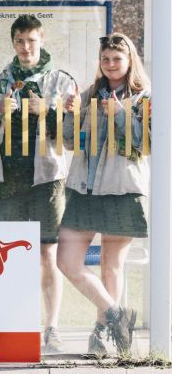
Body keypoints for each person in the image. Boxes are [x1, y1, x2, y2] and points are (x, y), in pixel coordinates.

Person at [0, 14, 76, 353]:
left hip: (47, 180)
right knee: (10, 256)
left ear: (42, 39)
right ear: (13, 42)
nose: (26, 46)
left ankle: (51, 327)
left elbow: (75, 136)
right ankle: (17, 325)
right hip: (7, 180)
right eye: (20, 40)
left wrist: (47, 109)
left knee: (47, 253)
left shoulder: (61, 82)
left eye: (32, 40)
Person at [57, 33, 150, 356]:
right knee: (67, 262)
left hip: (121, 190)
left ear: (129, 61)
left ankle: (100, 335)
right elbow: (70, 143)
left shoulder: (143, 97)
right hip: (83, 189)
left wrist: (120, 114)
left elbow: (145, 143)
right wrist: (69, 113)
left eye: (116, 59)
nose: (111, 65)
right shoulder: (88, 95)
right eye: (105, 59)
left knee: (112, 266)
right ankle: (117, 315)